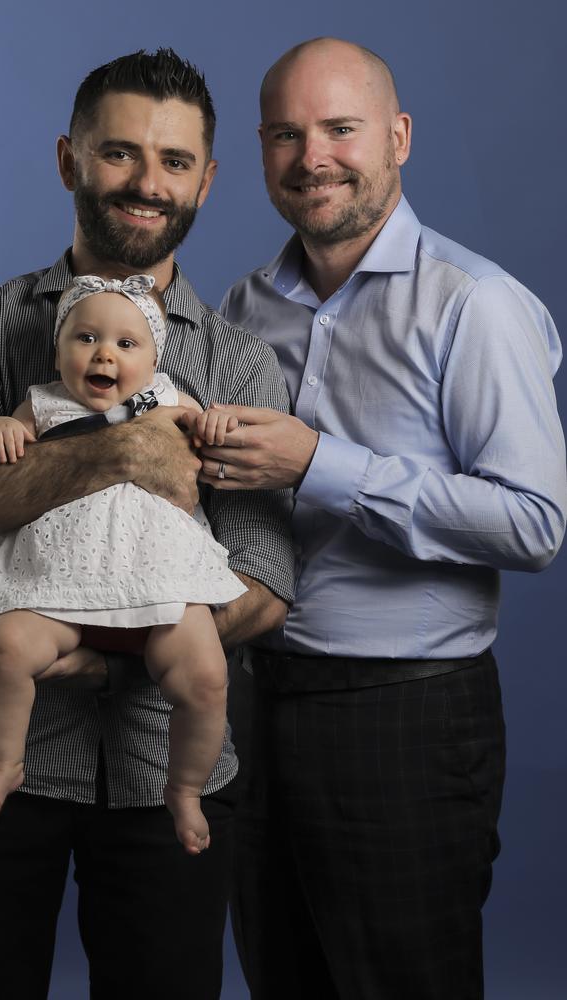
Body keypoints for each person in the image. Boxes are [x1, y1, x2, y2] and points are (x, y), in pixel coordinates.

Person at [0, 49, 293, 1000]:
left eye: (173, 161)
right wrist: (120, 453)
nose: (145, 183)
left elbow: (261, 585)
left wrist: (107, 645)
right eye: (119, 153)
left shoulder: (239, 365)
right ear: (68, 160)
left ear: (206, 179)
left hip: (168, 763)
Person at [200, 37, 567, 1000]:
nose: (312, 155)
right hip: (252, 703)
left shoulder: (477, 305)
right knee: (280, 977)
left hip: (406, 717)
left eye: (339, 128)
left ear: (398, 138)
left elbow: (533, 522)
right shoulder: (244, 305)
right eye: (287, 133)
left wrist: (323, 465)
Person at [0, 273, 247, 855]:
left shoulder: (167, 397)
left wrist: (217, 423)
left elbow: (212, 433)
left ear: (155, 356)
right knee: (8, 646)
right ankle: (3, 762)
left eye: (126, 344)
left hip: (156, 580)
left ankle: (185, 789)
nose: (104, 353)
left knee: (207, 676)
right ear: (59, 348)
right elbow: (6, 439)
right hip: (57, 582)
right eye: (85, 338)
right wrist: (4, 427)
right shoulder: (42, 403)